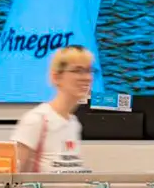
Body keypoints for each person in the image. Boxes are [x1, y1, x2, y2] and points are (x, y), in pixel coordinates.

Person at [11, 45, 94, 173]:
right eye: (78, 71)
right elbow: (12, 177)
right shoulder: (36, 120)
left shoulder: (73, 123)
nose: (87, 78)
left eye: (89, 71)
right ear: (56, 77)